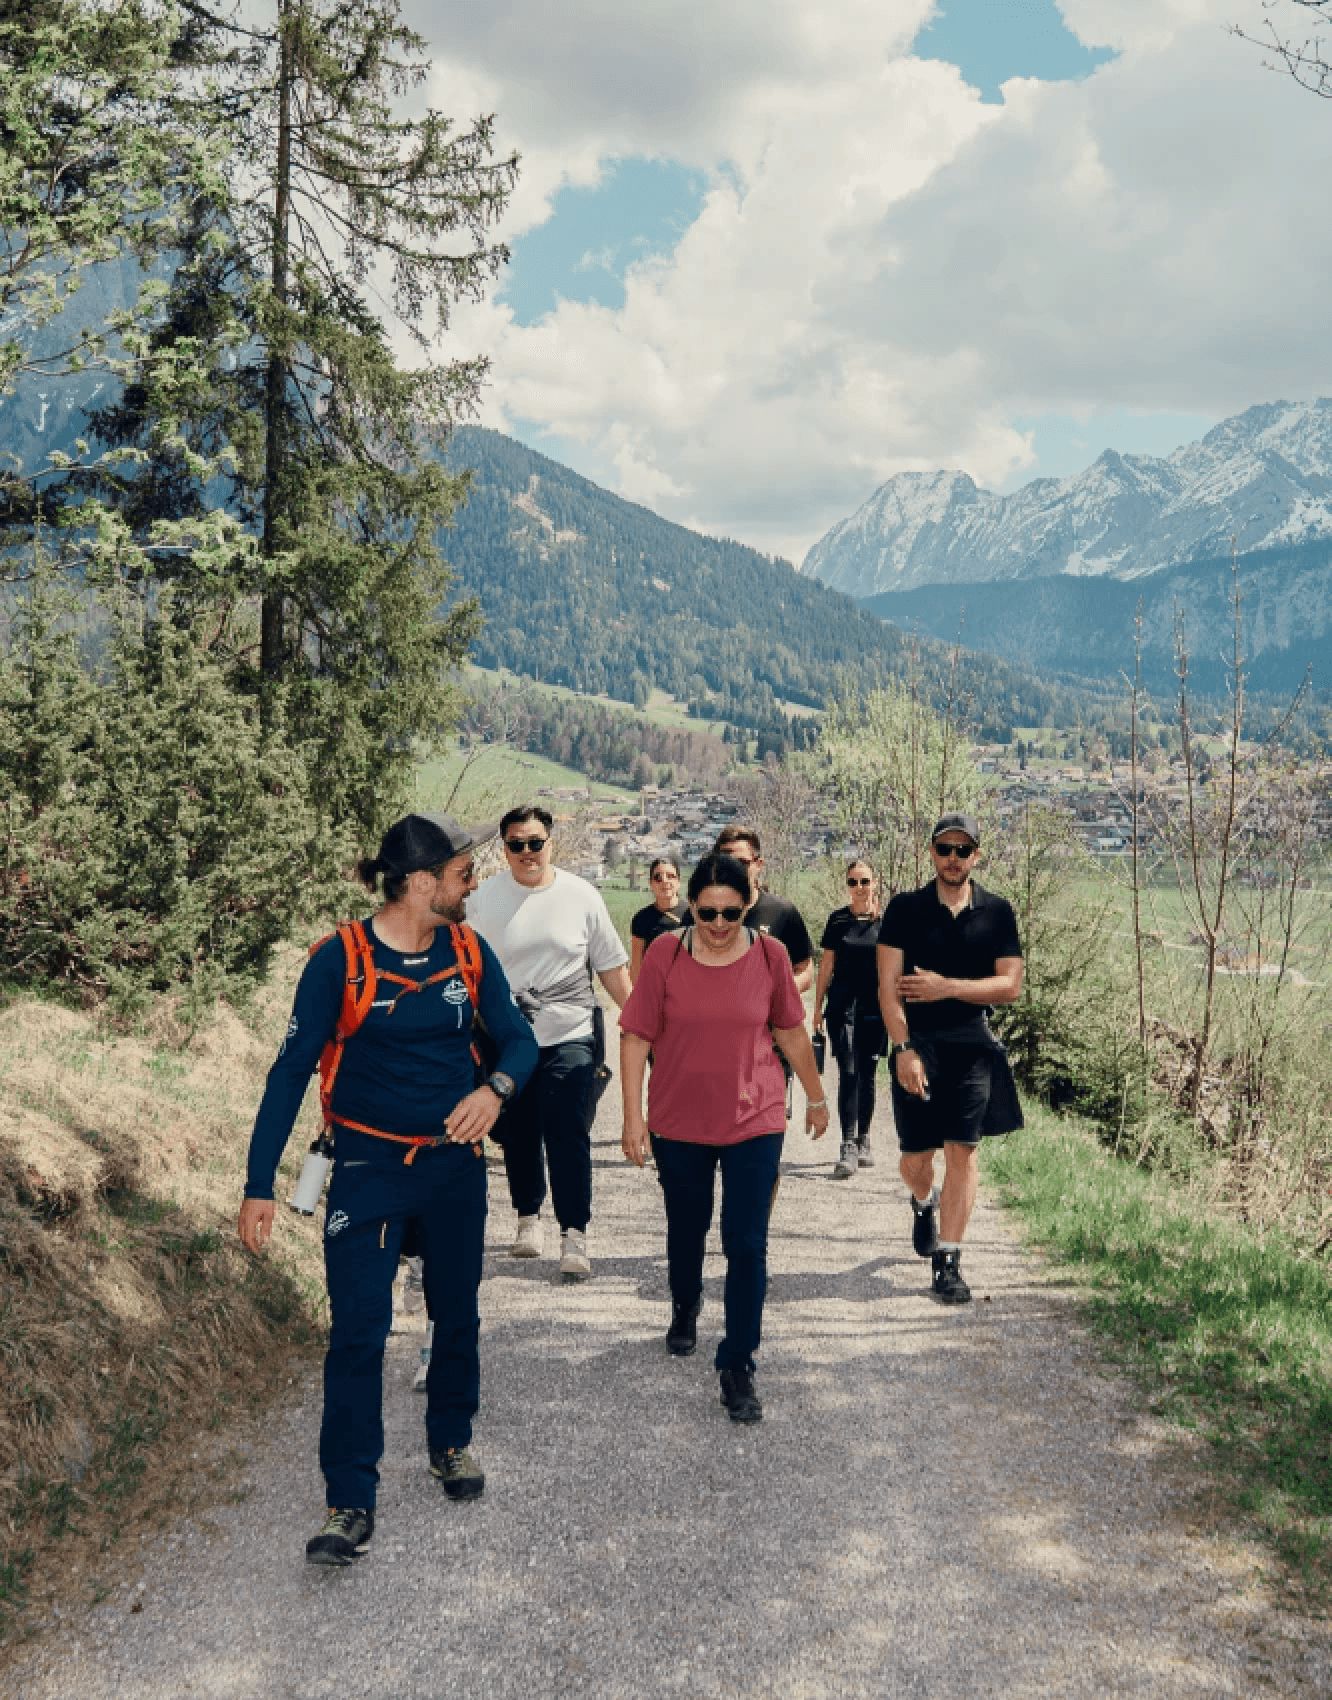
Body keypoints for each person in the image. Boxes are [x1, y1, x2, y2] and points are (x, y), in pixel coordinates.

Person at [237, 812, 538, 1566]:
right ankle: (349, 1499)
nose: (474, 885)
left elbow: (519, 1039)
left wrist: (496, 1089)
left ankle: (450, 1442)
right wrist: (259, 1183)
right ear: (420, 883)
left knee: (457, 1313)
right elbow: (289, 1073)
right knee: (358, 1333)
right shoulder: (338, 960)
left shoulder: (469, 951)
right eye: (463, 874)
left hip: (453, 1169)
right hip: (366, 1172)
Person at [619, 852, 830, 1424]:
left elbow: (789, 1030)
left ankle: (738, 1363)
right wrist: (633, 1117)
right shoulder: (664, 954)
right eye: (707, 912)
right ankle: (685, 1303)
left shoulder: (770, 955)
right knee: (687, 1227)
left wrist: (815, 1096)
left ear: (746, 908)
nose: (718, 924)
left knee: (747, 1242)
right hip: (678, 1120)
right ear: (691, 906)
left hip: (754, 1117)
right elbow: (636, 1037)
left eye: (730, 913)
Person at [467, 804, 632, 1280]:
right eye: (516, 844)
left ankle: (574, 1233)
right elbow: (462, 967)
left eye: (535, 843)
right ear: (504, 849)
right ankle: (527, 1216)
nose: (527, 852)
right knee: (517, 1132)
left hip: (570, 1034)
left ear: (550, 843)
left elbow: (611, 968)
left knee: (568, 1131)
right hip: (508, 1037)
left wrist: (644, 1026)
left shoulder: (581, 896)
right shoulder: (483, 900)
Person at [876, 814, 1024, 1305]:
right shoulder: (905, 909)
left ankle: (949, 1260)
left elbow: (1010, 985)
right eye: (945, 849)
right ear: (932, 853)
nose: (954, 858)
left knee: (964, 1151)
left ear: (976, 855)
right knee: (916, 1160)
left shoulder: (997, 912)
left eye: (963, 850)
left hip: (972, 1047)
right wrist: (903, 1049)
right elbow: (888, 989)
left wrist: (947, 987)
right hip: (917, 1044)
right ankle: (924, 1201)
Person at [813, 859, 887, 1180]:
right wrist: (817, 1007)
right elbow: (826, 966)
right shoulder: (837, 920)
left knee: (867, 1073)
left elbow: (894, 967)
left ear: (875, 884)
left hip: (875, 1008)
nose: (859, 888)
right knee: (849, 1071)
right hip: (842, 1007)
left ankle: (864, 1138)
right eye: (853, 882)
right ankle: (847, 1144)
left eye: (864, 881)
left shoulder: (885, 922)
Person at [714, 825, 813, 992]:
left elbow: (805, 972)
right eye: (725, 863)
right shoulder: (702, 913)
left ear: (758, 864)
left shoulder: (782, 912)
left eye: (742, 863)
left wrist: (772, 996)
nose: (733, 869)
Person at [629, 854, 689, 981]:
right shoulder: (641, 919)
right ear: (650, 883)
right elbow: (636, 967)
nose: (665, 881)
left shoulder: (694, 914)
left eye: (670, 876)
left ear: (678, 882)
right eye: (658, 877)